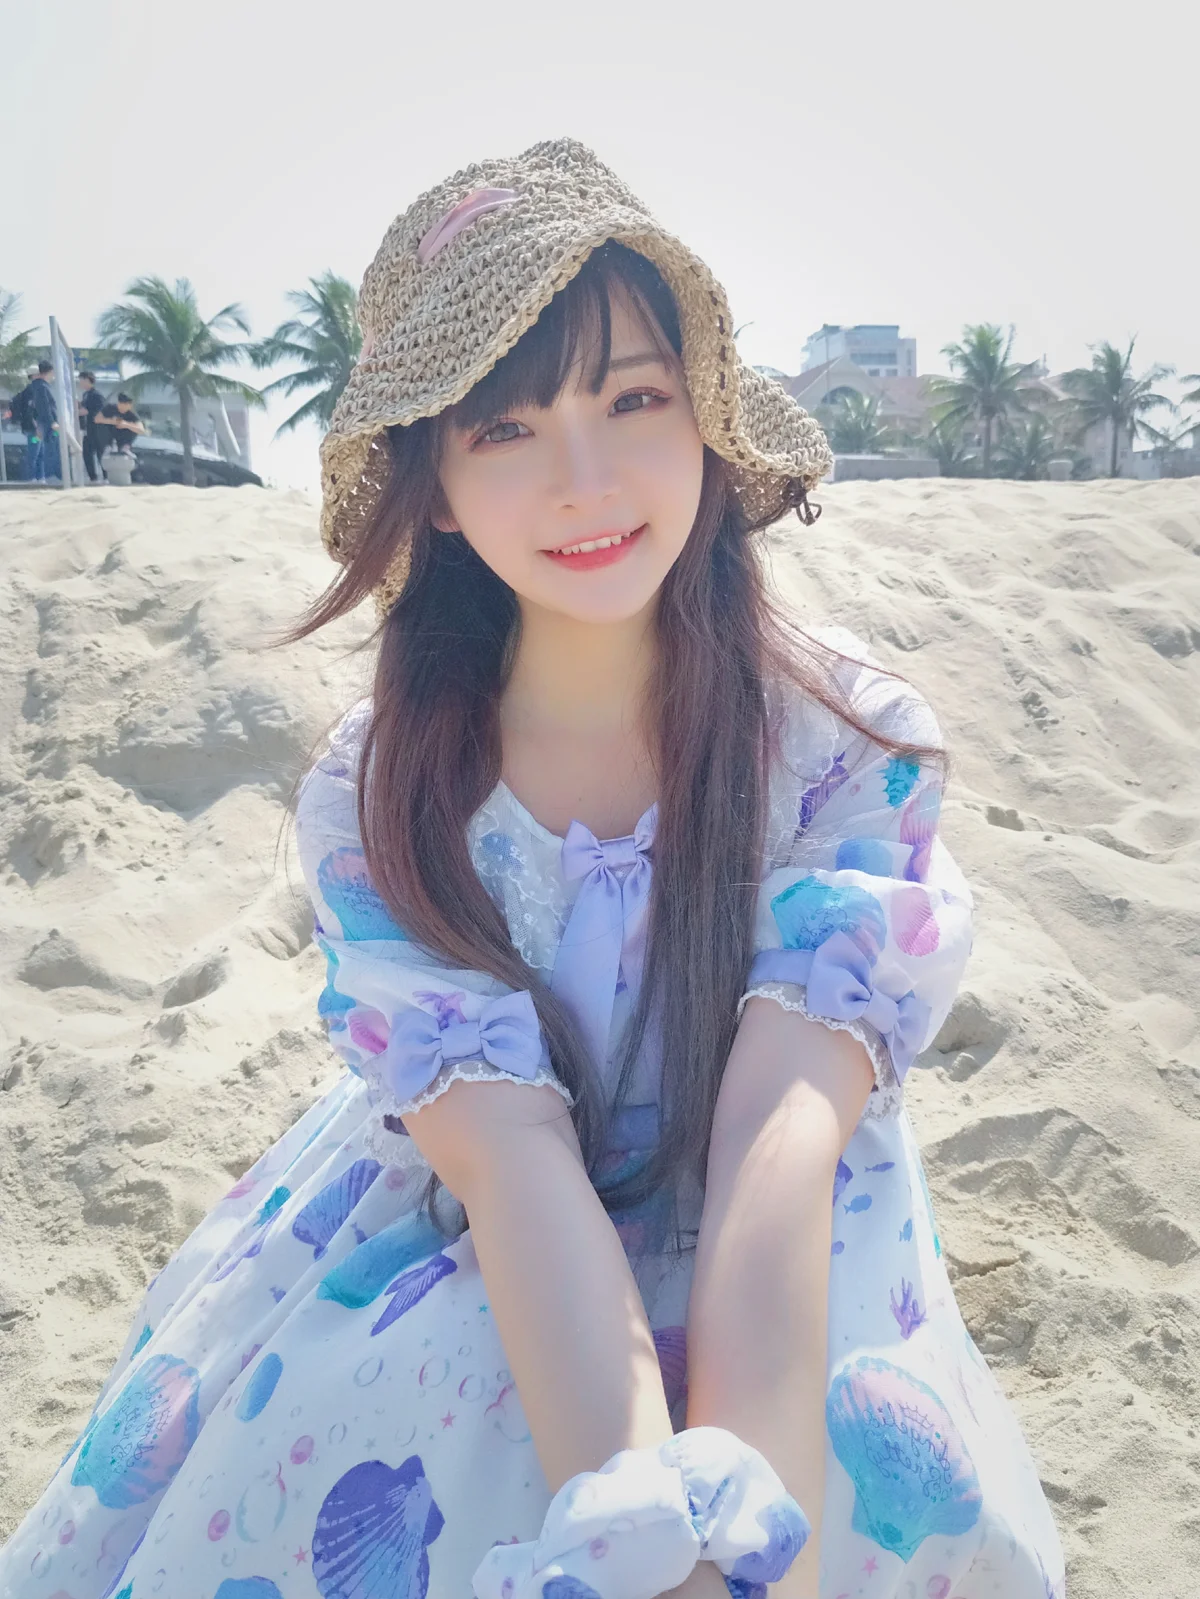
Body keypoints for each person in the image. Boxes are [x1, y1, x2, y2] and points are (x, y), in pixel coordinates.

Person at [0, 139, 1066, 1599]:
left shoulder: (841, 740)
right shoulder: (384, 786)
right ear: (435, 486)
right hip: (481, 1215)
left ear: (706, 417)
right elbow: (508, 1160)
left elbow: (782, 1135)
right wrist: (638, 1526)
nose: (584, 480)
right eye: (505, 426)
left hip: (778, 1230)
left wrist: (737, 1539)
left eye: (633, 399)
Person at [25, 359, 59, 482]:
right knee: (35, 451)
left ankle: (40, 477)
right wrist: (51, 421)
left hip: (37, 426)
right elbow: (43, 407)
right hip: (38, 426)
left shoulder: (35, 387)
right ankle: (33, 477)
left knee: (40, 452)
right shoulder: (39, 387)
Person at [77, 370, 108, 482]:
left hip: (98, 429)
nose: (80, 383)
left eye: (81, 380)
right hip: (89, 429)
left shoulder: (96, 395)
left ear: (87, 380)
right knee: (87, 453)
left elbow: (94, 411)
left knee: (101, 454)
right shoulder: (86, 395)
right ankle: (93, 477)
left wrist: (80, 411)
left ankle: (106, 476)